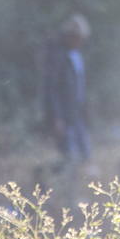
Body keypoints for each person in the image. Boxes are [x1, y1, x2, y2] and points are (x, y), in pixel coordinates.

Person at [42, 13, 92, 167]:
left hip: (76, 114)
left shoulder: (77, 55)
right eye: (77, 37)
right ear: (69, 36)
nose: (80, 41)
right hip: (64, 115)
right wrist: (57, 118)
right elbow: (51, 89)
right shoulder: (57, 56)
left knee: (85, 154)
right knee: (69, 157)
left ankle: (69, 184)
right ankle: (44, 176)